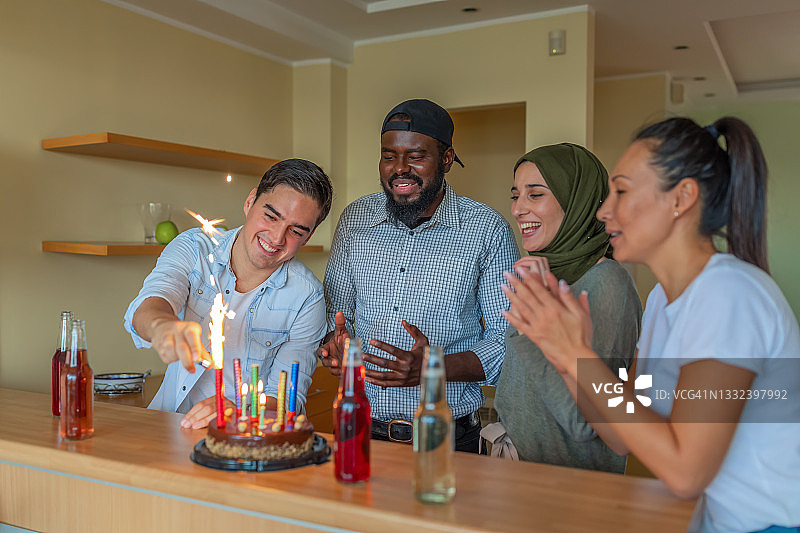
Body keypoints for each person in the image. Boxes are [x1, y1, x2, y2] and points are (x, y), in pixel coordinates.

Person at [502, 117, 800, 532]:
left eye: (622, 191)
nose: (604, 211)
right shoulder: (662, 299)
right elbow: (619, 431)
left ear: (682, 197)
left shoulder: (728, 294)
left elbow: (685, 472)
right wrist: (566, 353)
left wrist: (575, 353)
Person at [320, 98, 519, 453]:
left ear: (446, 158)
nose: (400, 169)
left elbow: (507, 342)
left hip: (447, 440)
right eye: (389, 156)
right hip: (360, 431)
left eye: (416, 156)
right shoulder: (354, 221)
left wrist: (433, 367)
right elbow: (336, 318)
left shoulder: (487, 230)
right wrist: (333, 346)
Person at [123, 158, 333, 429]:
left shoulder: (307, 297)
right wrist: (162, 326)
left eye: (296, 231)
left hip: (244, 438)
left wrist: (240, 413)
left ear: (308, 236)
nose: (277, 238)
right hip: (166, 427)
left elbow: (285, 400)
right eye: (271, 216)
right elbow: (151, 303)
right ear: (250, 201)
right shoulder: (194, 247)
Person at [490, 143, 641, 472]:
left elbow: (584, 424)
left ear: (576, 201)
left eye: (535, 195)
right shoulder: (543, 277)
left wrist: (532, 329)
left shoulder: (607, 282)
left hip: (566, 487)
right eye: (515, 195)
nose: (518, 209)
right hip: (513, 475)